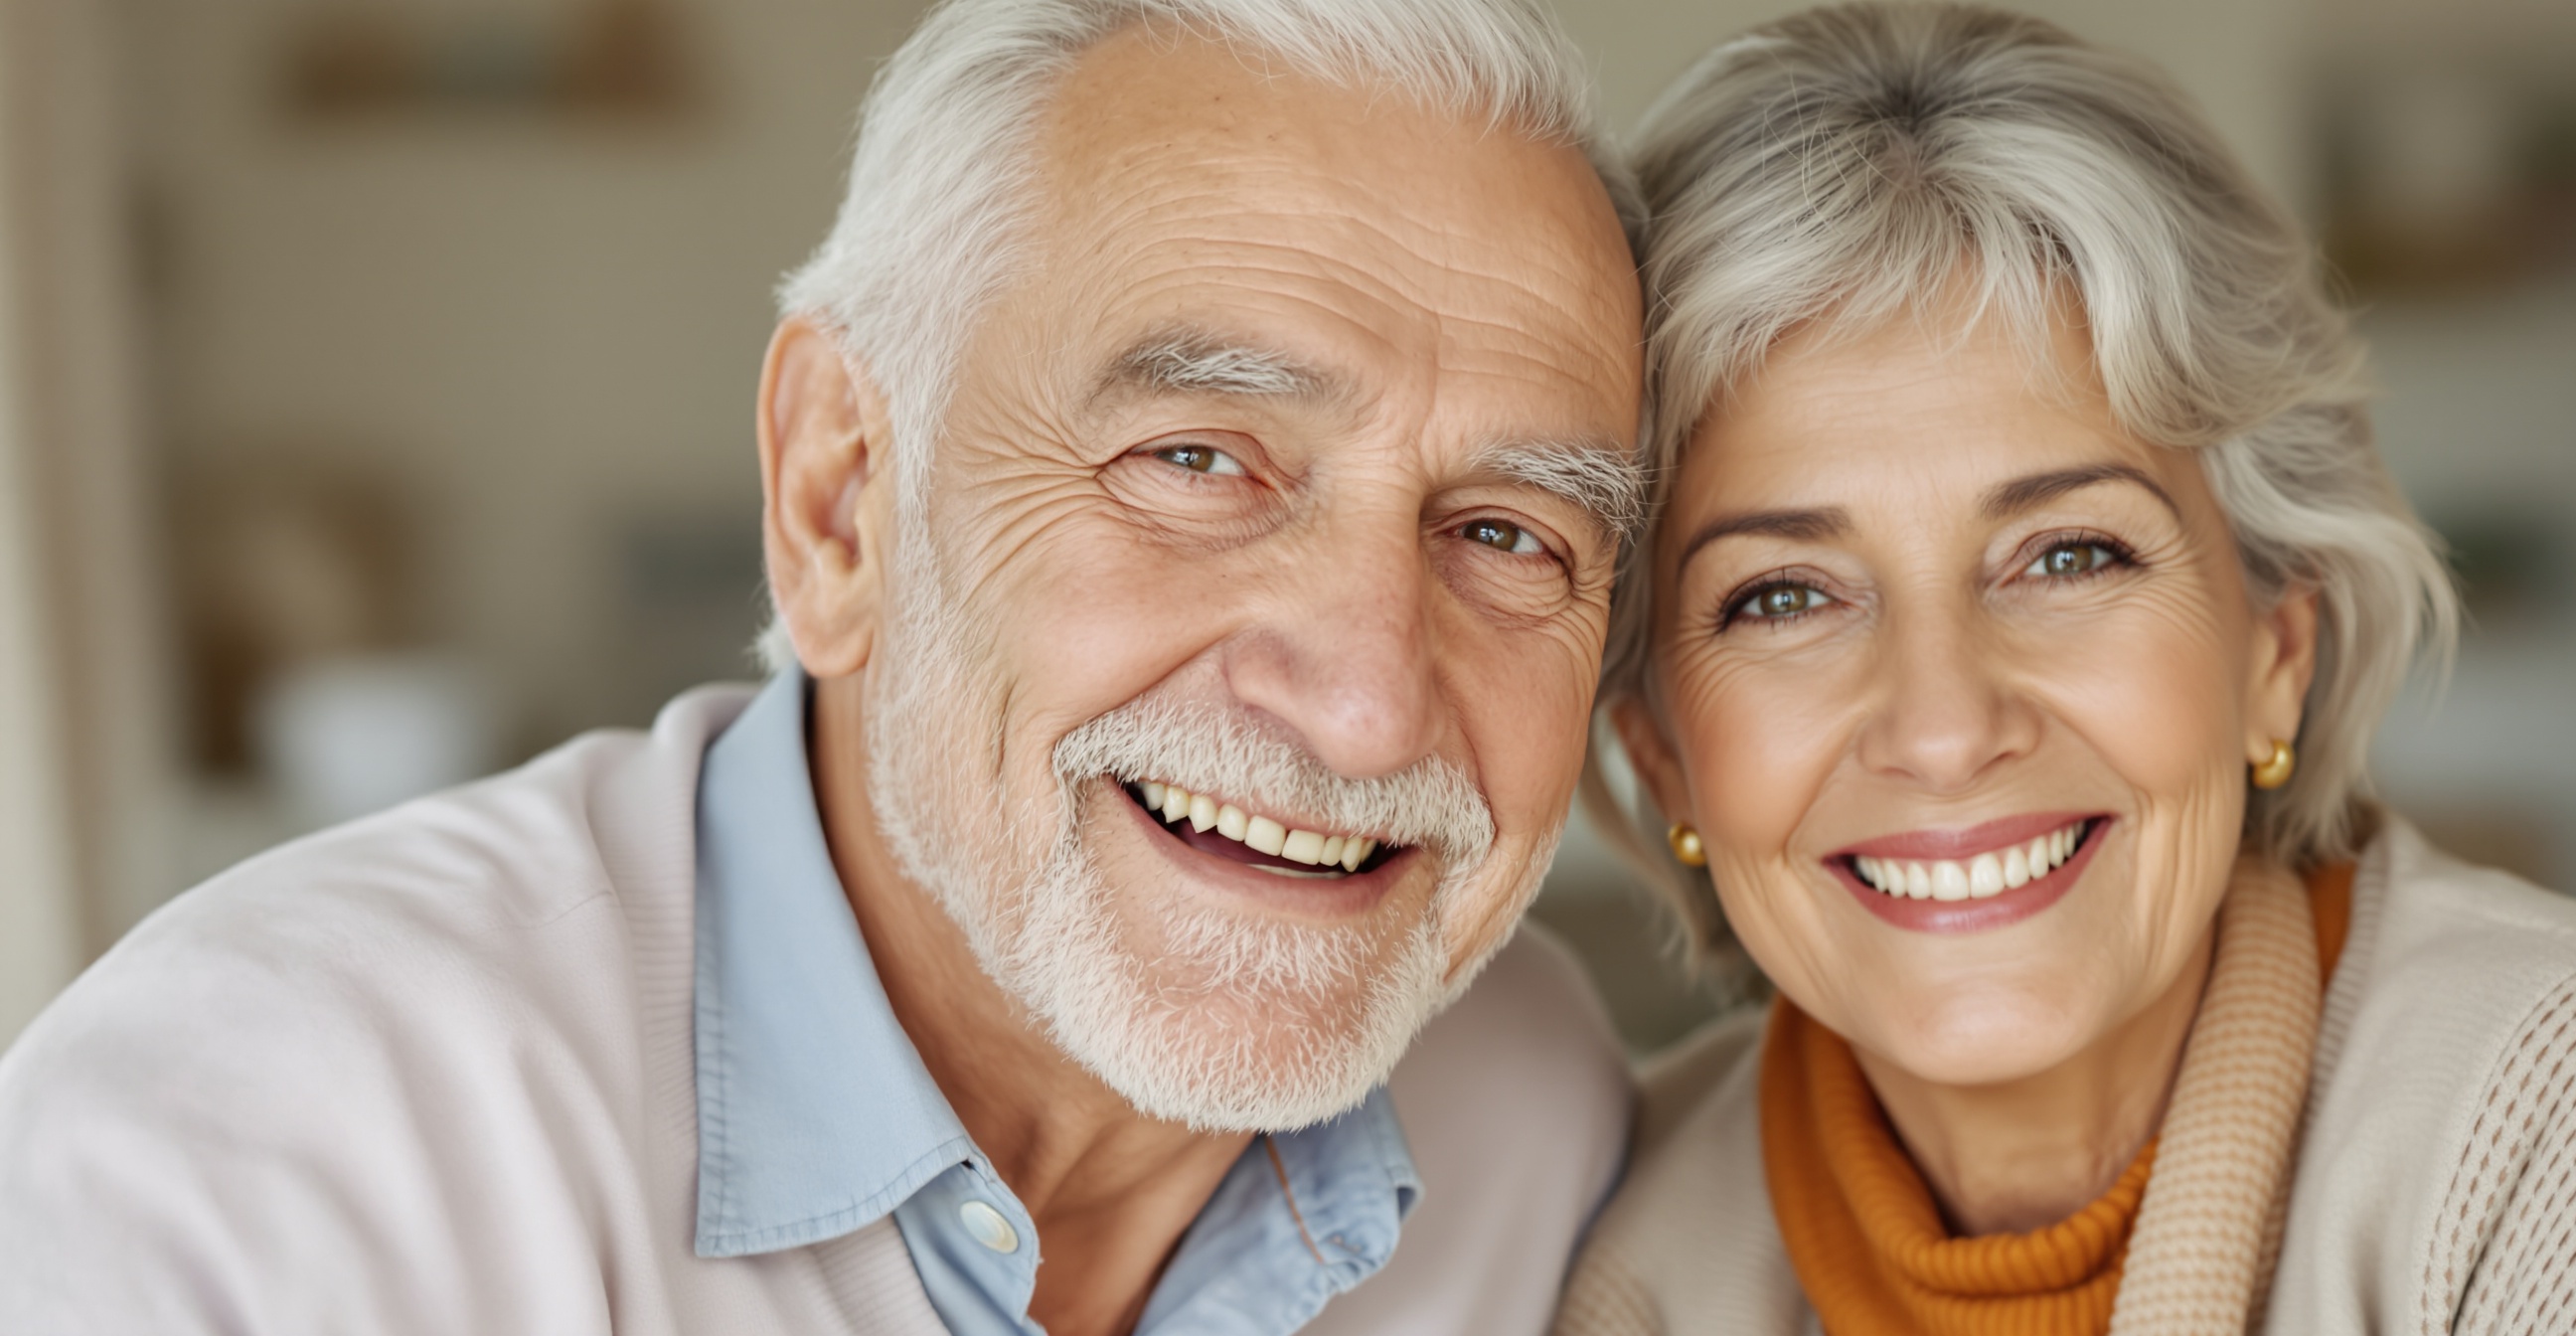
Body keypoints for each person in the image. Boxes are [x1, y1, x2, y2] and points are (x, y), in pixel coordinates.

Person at [0, 2, 1649, 1333]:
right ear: (839, 499)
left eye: (1511, 536)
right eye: (1198, 461)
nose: (1367, 705)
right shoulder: (268, 1150)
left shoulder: (1535, 1121)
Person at [1554, 6, 2576, 1334]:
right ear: (1662, 752)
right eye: (1783, 595)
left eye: (2068, 557)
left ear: (2276, 649)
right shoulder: (1631, 1251)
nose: (1943, 727)